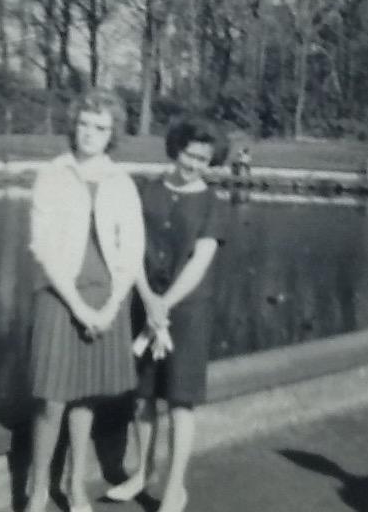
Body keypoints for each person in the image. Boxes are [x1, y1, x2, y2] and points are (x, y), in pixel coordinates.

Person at [26, 88, 162, 512]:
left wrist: (109, 308)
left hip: (106, 298)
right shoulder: (52, 174)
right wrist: (80, 308)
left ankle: (75, 484)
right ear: (74, 125)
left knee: (85, 396)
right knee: (51, 400)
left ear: (111, 134)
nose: (90, 133)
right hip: (60, 297)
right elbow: (42, 248)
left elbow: (131, 250)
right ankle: (38, 490)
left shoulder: (120, 182)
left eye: (100, 127)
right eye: (84, 124)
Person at [106, 115, 230, 512]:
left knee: (180, 401)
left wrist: (166, 303)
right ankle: (142, 474)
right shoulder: (148, 191)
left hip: (188, 313)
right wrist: (147, 296)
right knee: (142, 398)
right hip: (144, 306)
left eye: (203, 159)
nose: (194, 164)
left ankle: (175, 488)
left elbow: (201, 259)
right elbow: (131, 248)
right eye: (190, 155)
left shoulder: (211, 202)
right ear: (176, 148)